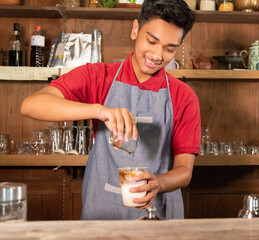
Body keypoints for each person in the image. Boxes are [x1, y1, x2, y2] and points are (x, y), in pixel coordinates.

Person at [21, 0, 200, 220]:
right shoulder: (99, 77)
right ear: (135, 29)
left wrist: (158, 183)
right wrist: (98, 111)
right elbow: (30, 105)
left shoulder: (183, 96)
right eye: (151, 41)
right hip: (103, 211)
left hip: (158, 214)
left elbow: (185, 171)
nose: (157, 55)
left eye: (169, 49)